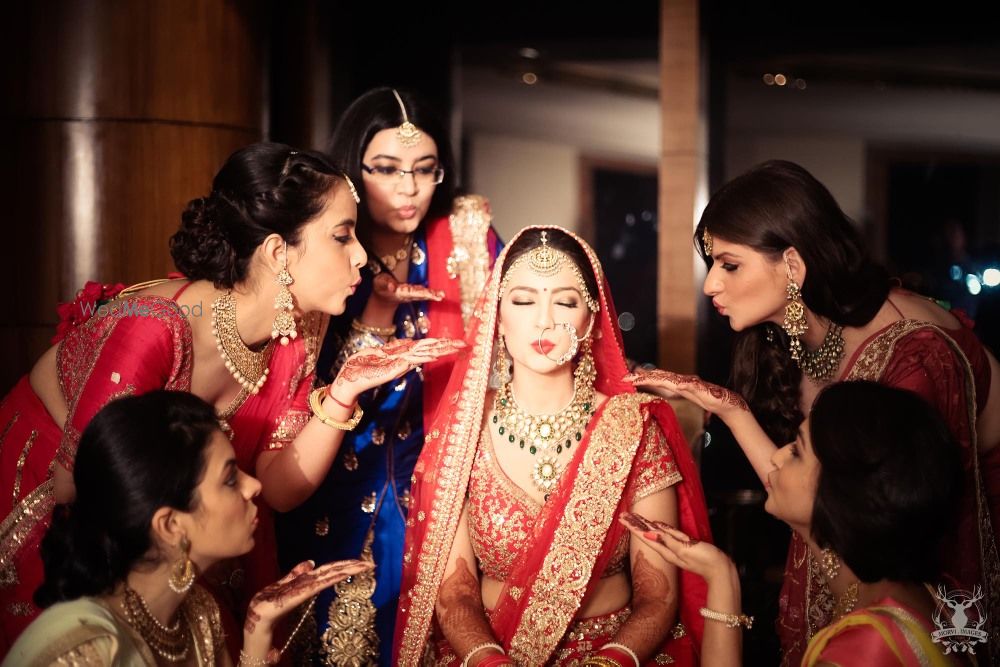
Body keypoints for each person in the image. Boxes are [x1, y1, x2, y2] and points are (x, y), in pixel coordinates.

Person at [0, 142, 463, 653]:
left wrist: (345, 390)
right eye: (341, 236)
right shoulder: (153, 332)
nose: (361, 254)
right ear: (276, 252)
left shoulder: (302, 324)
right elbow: (80, 489)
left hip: (178, 521)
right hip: (65, 499)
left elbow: (278, 485)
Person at [626, 159, 1000, 665]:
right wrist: (732, 411)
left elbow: (904, 541)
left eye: (729, 265)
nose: (711, 284)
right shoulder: (802, 338)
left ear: (794, 266)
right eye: (712, 264)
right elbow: (806, 489)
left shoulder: (913, 355)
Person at [393, 226, 712, 666]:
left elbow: (658, 597)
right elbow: (453, 594)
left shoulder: (632, 426)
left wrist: (609, 662)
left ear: (591, 319)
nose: (544, 320)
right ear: (497, 317)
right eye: (523, 301)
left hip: (616, 654)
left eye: (565, 301)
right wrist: (491, 661)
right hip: (490, 652)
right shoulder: (464, 430)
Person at [278, 88, 501, 665]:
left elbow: (503, 357)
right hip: (332, 471)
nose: (408, 189)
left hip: (438, 477)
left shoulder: (466, 242)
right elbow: (298, 380)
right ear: (353, 168)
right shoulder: (322, 246)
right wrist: (376, 317)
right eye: (386, 170)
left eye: (424, 171)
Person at [4, 390, 374, 666]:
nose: (254, 487)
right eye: (230, 480)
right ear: (170, 525)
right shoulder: (85, 650)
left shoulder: (198, 615)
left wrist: (258, 631)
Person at [621, 381, 971, 666]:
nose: (776, 455)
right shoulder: (912, 594)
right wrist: (735, 412)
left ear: (841, 492)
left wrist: (721, 583)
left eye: (797, 451)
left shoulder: (866, 649)